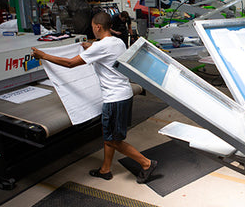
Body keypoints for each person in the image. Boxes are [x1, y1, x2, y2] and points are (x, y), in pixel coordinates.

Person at [31, 11, 157, 183]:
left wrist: (43, 56)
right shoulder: (117, 42)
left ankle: (146, 164)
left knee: (115, 141)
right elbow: (104, 51)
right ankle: (105, 169)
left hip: (114, 99)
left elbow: (70, 64)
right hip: (124, 95)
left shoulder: (100, 46)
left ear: (98, 27)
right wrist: (91, 47)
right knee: (109, 137)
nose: (92, 30)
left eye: (92, 27)